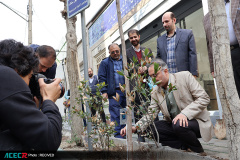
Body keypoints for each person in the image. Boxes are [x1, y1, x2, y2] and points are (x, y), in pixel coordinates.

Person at [120, 59, 213, 153]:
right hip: (175, 125)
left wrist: (185, 114)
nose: (153, 79)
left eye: (155, 75)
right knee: (149, 129)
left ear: (165, 71)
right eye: (151, 76)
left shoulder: (184, 76)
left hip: (196, 122)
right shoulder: (155, 91)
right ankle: (184, 145)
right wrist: (135, 127)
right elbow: (150, 114)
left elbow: (204, 98)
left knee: (179, 124)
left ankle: (198, 150)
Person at [0, 39, 62, 151]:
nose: (43, 71)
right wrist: (49, 100)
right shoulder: (7, 76)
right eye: (30, 77)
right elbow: (50, 140)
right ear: (17, 70)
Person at [203, 0, 240, 97]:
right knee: (235, 93)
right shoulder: (207, 17)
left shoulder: (236, 2)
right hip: (223, 59)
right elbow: (209, 44)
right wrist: (213, 67)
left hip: (238, 50)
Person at [126, 29, 153, 142]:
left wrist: (146, 68)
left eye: (135, 37)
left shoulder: (147, 50)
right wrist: (138, 69)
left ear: (139, 36)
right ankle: (140, 134)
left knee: (150, 109)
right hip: (135, 86)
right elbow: (127, 68)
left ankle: (151, 133)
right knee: (138, 110)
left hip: (147, 85)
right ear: (129, 39)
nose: (133, 39)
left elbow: (152, 63)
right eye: (131, 38)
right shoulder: (126, 52)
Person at [156, 12, 198, 77]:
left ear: (174, 20)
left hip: (184, 76)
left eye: (167, 21)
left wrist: (194, 74)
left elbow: (192, 54)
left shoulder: (187, 34)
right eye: (163, 22)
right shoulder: (160, 40)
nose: (164, 24)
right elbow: (158, 60)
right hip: (168, 79)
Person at [98, 43, 126, 138]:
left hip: (126, 92)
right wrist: (104, 91)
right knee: (115, 114)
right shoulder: (105, 62)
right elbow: (101, 78)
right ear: (109, 52)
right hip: (114, 92)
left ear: (120, 50)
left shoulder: (125, 60)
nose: (115, 53)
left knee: (124, 113)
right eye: (112, 52)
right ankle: (118, 135)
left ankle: (124, 133)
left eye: (117, 51)